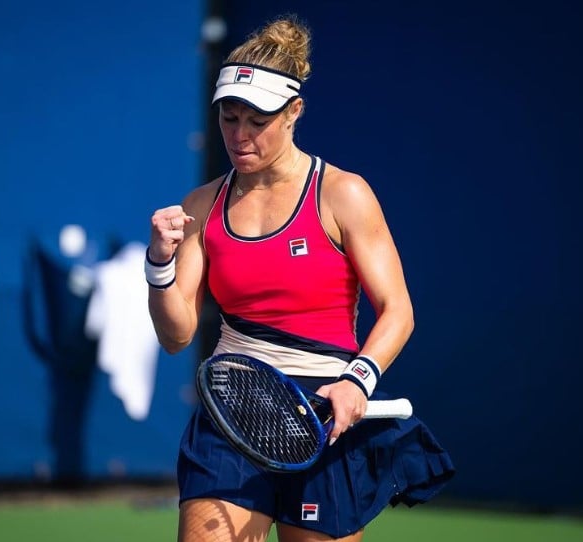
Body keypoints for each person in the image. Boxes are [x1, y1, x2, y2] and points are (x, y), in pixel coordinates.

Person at [146, 14, 454, 542]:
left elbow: (398, 310)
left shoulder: (343, 194)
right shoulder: (202, 205)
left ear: (294, 112)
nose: (239, 135)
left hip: (325, 414)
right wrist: (158, 264)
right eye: (229, 118)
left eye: (257, 121)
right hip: (233, 409)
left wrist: (358, 380)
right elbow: (176, 336)